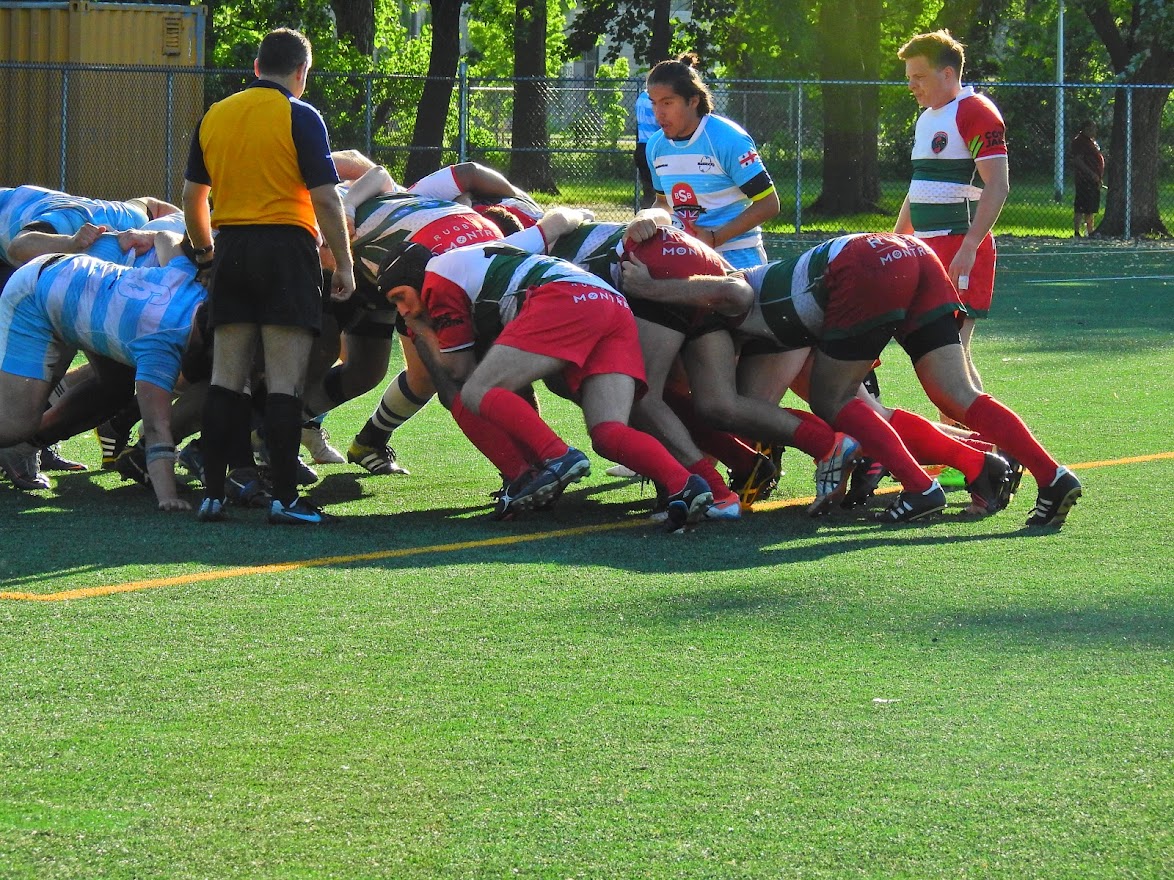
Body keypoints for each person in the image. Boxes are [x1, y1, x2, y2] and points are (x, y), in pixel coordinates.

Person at [623, 233, 1082, 528]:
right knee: (955, 395)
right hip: (905, 254)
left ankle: (920, 487)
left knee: (833, 401)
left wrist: (648, 288)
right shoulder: (744, 321)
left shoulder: (718, 300)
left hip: (856, 269)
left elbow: (732, 292)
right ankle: (1047, 474)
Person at [375, 234, 716, 532]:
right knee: (608, 433)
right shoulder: (463, 260)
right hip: (610, 302)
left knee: (478, 390)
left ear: (414, 277)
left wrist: (423, 331)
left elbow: (457, 368)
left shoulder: (435, 278)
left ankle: (556, 457)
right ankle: (686, 484)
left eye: (400, 297)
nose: (403, 311)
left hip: (563, 296)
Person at [182, 27, 356, 525]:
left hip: (231, 249)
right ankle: (285, 498)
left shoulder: (215, 115)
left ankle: (213, 495)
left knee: (225, 380)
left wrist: (205, 255)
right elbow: (326, 198)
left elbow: (193, 198)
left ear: (256, 67)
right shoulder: (301, 114)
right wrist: (344, 264)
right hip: (287, 250)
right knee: (284, 382)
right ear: (302, 72)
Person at [0, 232, 208, 510]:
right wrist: (168, 497)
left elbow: (165, 237)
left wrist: (147, 235)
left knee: (116, 388)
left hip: (72, 274)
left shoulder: (192, 284)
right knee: (15, 425)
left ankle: (26, 445)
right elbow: (156, 428)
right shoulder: (161, 343)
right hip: (36, 295)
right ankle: (20, 441)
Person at [894, 30, 1008, 397]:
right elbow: (920, 186)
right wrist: (896, 239)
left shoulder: (975, 110)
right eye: (909, 77)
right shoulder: (927, 117)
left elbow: (998, 184)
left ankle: (984, 432)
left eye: (919, 76)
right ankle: (964, 433)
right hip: (928, 248)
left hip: (959, 244)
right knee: (939, 354)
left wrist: (970, 246)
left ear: (947, 74)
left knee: (953, 352)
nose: (911, 85)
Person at [645, 53, 780, 270]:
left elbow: (769, 204)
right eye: (654, 103)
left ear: (693, 101)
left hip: (738, 259)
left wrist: (716, 238)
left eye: (667, 103)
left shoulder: (728, 140)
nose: (658, 113)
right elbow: (663, 203)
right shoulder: (655, 146)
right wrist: (648, 218)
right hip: (685, 258)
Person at [0, 184, 179, 268]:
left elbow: (153, 205)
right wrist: (71, 243)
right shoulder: (67, 220)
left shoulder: (131, 215)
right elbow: (17, 246)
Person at [1071, 121, 1105, 237]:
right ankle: (1079, 231)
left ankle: (1090, 230)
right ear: (1085, 129)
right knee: (1082, 207)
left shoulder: (1091, 142)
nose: (1094, 131)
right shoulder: (1080, 142)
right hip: (1085, 179)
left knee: (1090, 207)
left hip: (1093, 179)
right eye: (1091, 129)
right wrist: (1091, 174)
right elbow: (1078, 160)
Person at [633, 88, 658, 210]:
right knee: (660, 193)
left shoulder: (642, 97)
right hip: (655, 147)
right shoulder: (656, 100)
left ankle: (645, 215)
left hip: (642, 146)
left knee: (648, 192)